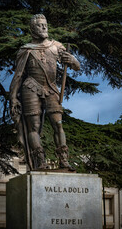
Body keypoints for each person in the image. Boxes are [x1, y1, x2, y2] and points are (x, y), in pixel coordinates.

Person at [10, 14, 80, 170]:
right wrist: (13, 97)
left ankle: (63, 160)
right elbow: (19, 75)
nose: (44, 27)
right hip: (30, 88)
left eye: (45, 24)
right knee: (33, 127)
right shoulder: (25, 50)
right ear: (33, 29)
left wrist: (73, 60)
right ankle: (39, 161)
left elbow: (76, 66)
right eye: (40, 25)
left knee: (58, 123)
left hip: (51, 88)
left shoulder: (56, 46)